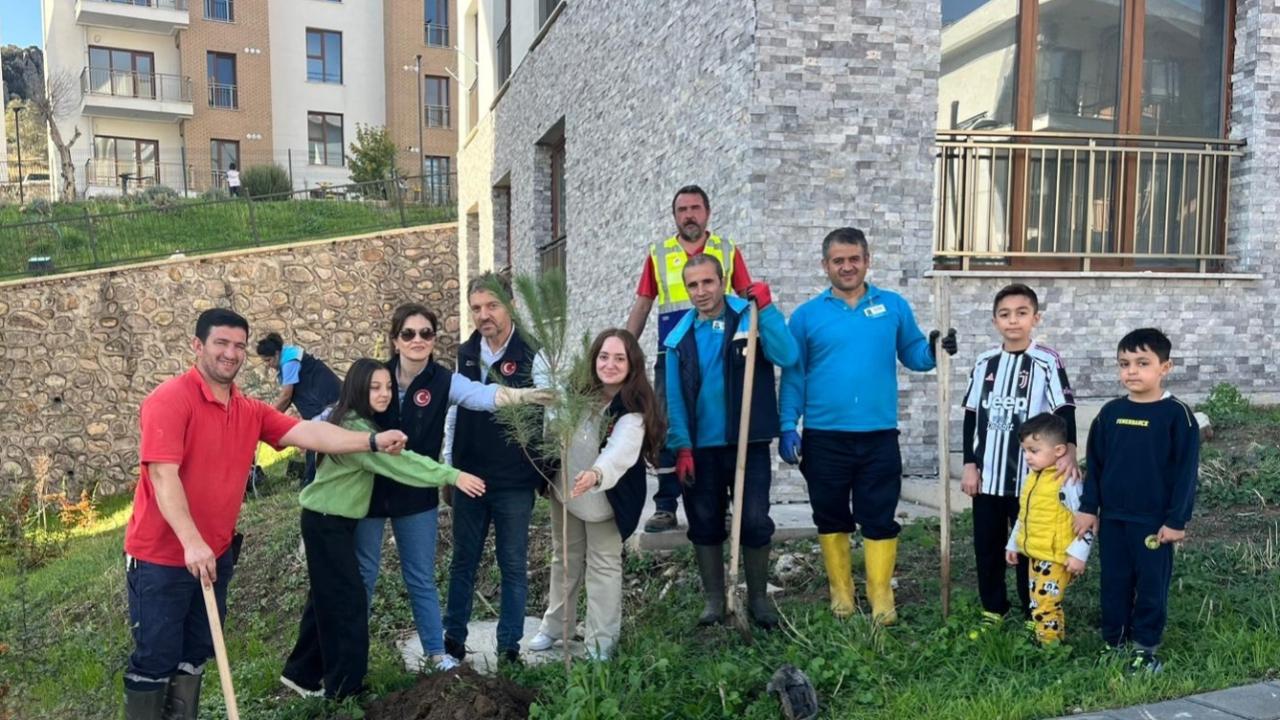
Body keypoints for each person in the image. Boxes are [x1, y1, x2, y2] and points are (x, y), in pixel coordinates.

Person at [122, 308, 407, 720]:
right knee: (156, 661)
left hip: (213, 556)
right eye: (221, 343)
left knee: (195, 655)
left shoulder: (248, 410)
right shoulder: (169, 401)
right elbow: (164, 477)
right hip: (161, 559)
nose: (231, 353)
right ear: (197, 346)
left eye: (239, 345)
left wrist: (371, 441)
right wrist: (191, 541)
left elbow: (310, 431)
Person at [355, 303, 552, 673]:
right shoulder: (374, 376)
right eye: (409, 333)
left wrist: (526, 396)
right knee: (364, 575)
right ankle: (353, 657)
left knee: (420, 577)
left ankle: (437, 653)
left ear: (434, 339)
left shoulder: (445, 380)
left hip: (417, 493)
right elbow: (342, 414)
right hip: (369, 491)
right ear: (395, 339)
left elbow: (483, 395)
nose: (418, 340)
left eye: (426, 333)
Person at [778, 227, 956, 625]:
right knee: (831, 515)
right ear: (825, 265)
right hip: (824, 437)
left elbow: (913, 354)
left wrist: (934, 348)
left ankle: (880, 598)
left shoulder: (892, 306)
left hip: (878, 436)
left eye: (854, 258)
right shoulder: (806, 316)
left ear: (867, 260)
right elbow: (794, 375)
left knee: (879, 515)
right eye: (838, 260)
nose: (847, 266)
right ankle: (842, 594)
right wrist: (788, 424)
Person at [281, 359, 486, 699]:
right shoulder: (358, 432)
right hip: (327, 523)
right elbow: (403, 464)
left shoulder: (355, 420)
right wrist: (453, 475)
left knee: (327, 598)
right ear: (358, 387)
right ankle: (347, 691)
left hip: (332, 522)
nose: (384, 393)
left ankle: (301, 674)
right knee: (347, 603)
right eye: (375, 387)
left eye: (388, 387)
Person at [664, 254, 796, 630]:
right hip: (700, 449)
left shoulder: (749, 318)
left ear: (721, 281)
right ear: (685, 288)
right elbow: (674, 400)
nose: (701, 291)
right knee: (704, 522)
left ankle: (757, 598)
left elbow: (787, 354)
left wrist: (767, 309)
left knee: (754, 520)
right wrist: (682, 447)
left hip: (747, 442)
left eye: (708, 282)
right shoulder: (678, 338)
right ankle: (714, 599)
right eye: (693, 285)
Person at [526, 329, 666, 660]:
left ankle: (600, 642)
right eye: (604, 356)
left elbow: (620, 450)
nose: (610, 364)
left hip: (606, 499)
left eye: (619, 358)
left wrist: (596, 474)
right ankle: (556, 626)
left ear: (632, 364)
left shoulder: (633, 410)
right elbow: (554, 424)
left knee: (603, 567)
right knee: (565, 559)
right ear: (594, 359)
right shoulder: (577, 393)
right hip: (566, 491)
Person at [626, 185, 754, 533]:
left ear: (707, 212)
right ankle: (666, 505)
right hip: (673, 353)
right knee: (666, 423)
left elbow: (746, 299)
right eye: (682, 209)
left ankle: (725, 506)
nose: (689, 215)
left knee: (720, 421)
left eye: (695, 208)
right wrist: (623, 346)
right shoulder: (658, 253)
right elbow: (643, 303)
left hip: (720, 353)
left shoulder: (726, 250)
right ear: (674, 216)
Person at [1074, 328, 1199, 673]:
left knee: (1149, 585)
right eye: (1124, 363)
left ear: (1165, 367)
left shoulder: (1178, 415)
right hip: (1114, 519)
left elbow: (1186, 473)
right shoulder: (1110, 413)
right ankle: (1114, 641)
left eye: (1142, 363)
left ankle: (1145, 646)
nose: (1131, 371)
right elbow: (1095, 466)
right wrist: (1088, 508)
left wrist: (1176, 520)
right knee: (1114, 582)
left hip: (1153, 522)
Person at [443, 273, 552, 665]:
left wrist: (545, 469)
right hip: (470, 476)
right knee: (463, 561)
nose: (483, 315)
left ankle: (509, 647)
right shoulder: (466, 353)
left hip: (514, 481)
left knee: (512, 564)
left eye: (491, 306)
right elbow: (453, 408)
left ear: (510, 306)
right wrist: (447, 466)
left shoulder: (532, 353)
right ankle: (452, 641)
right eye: (476, 308)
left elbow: (547, 413)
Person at [961, 284, 1078, 626]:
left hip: (1031, 479)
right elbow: (971, 416)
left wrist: (1069, 452)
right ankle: (994, 609)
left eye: (1021, 313)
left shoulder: (1046, 361)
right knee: (987, 546)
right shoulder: (984, 362)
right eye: (1005, 314)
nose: (1013, 321)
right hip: (987, 477)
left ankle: (1033, 609)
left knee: (1030, 545)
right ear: (995, 321)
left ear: (1035, 318)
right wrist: (969, 462)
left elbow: (1065, 409)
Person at [1003, 413, 1093, 645]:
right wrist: (1014, 544)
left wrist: (1078, 554)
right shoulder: (1033, 478)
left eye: (1034, 451)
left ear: (1060, 451)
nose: (1027, 457)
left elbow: (1088, 520)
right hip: (1037, 553)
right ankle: (1054, 640)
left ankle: (1050, 650)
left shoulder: (1068, 482)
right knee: (1040, 602)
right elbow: (1025, 514)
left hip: (1057, 557)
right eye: (1025, 451)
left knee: (1044, 605)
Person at [255, 332, 342, 486]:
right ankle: (313, 479)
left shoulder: (289, 362)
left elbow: (286, 396)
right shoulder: (289, 358)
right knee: (315, 440)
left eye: (268, 360)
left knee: (314, 440)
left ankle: (311, 482)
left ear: (276, 354)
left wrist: (265, 418)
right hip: (321, 400)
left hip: (327, 399)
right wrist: (273, 419)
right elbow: (288, 400)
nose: (267, 365)